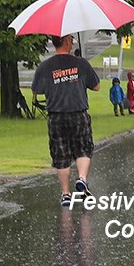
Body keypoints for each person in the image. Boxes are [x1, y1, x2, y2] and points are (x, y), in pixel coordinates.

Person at [31, 33, 101, 209]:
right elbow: (96, 86)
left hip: (56, 116)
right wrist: (80, 69)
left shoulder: (45, 67)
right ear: (68, 41)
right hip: (78, 113)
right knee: (83, 149)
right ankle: (82, 179)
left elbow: (37, 90)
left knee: (61, 155)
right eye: (71, 39)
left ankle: (65, 194)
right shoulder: (81, 63)